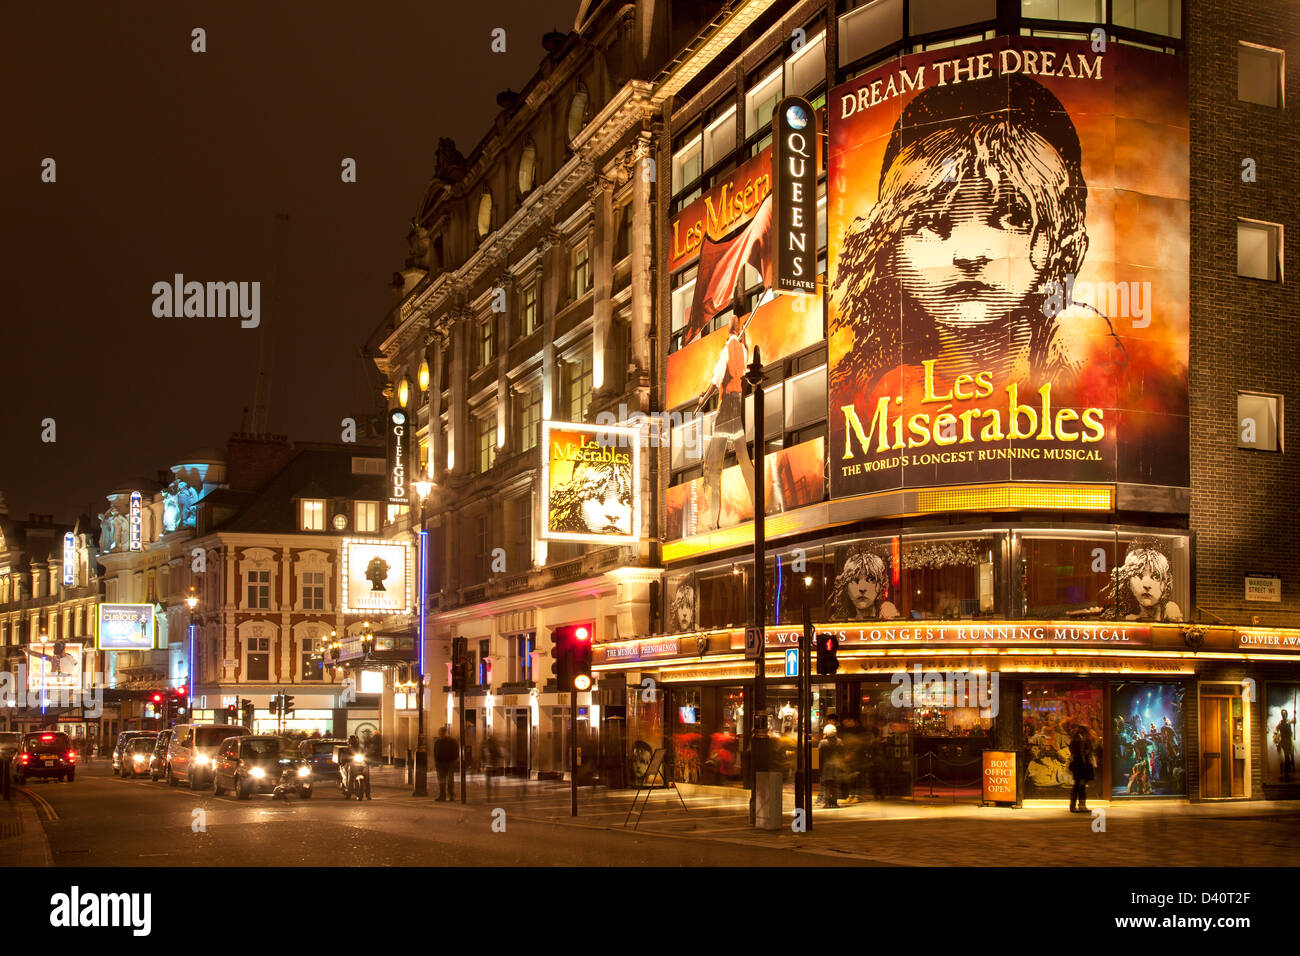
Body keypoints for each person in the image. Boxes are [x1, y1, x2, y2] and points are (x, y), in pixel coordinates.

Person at [829, 547, 899, 621]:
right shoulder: (839, 617)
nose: (862, 588)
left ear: (881, 585)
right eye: (855, 580)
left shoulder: (887, 610)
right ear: (846, 587)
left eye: (871, 579)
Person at [1068, 725, 1094, 813]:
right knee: (1078, 785)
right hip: (1079, 765)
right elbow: (1077, 753)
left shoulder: (1083, 739)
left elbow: (1088, 751)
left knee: (1081, 785)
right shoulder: (1077, 740)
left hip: (1082, 765)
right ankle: (1074, 806)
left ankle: (1081, 806)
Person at [818, 725, 845, 808]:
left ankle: (827, 803)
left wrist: (819, 768)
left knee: (827, 785)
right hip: (837, 764)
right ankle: (834, 802)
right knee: (835, 785)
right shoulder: (840, 741)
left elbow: (820, 756)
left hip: (826, 765)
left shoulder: (822, 743)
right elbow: (842, 754)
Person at [433, 726, 459, 801]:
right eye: (440, 733)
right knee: (442, 781)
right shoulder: (437, 742)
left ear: (445, 733)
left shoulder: (452, 741)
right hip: (441, 764)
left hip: (449, 763)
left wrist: (453, 760)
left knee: (450, 781)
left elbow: (456, 752)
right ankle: (442, 795)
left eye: (442, 733)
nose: (441, 735)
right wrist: (436, 762)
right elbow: (435, 752)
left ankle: (451, 795)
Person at [347, 734, 371, 800]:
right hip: (353, 764)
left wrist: (368, 758)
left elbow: (366, 754)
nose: (355, 741)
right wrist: (347, 758)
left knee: (367, 778)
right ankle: (349, 791)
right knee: (350, 777)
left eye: (355, 740)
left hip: (361, 763)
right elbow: (345, 755)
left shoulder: (361, 748)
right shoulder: (349, 748)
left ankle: (368, 794)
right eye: (353, 740)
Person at [481, 733, 504, 799]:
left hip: (488, 766)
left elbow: (482, 755)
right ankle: (496, 794)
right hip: (495, 765)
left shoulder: (485, 745)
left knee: (488, 780)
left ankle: (489, 794)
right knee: (496, 780)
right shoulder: (495, 745)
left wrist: (482, 763)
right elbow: (499, 754)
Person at [1276, 709, 1296, 779]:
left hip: (1289, 741)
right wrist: (1277, 736)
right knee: (1284, 756)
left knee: (1290, 756)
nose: (1284, 715)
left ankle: (1290, 770)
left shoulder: (1288, 721)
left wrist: (1294, 715)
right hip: (1283, 741)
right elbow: (1276, 729)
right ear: (1281, 715)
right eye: (1283, 714)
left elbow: (1294, 721)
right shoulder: (1280, 723)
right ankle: (1285, 771)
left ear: (1286, 714)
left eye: (1285, 714)